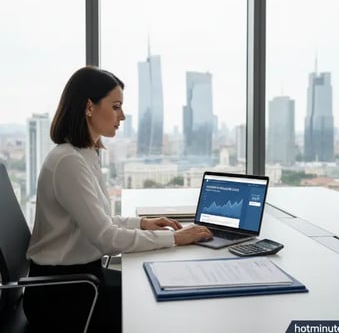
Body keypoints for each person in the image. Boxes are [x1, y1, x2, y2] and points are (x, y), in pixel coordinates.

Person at [23, 66, 212, 333]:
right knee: (153, 306)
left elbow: (99, 220)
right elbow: (106, 239)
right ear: (89, 107)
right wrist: (175, 238)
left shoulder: (83, 154)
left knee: (155, 294)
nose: (122, 116)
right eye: (115, 106)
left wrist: (142, 223)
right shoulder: (68, 162)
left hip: (80, 279)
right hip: (62, 294)